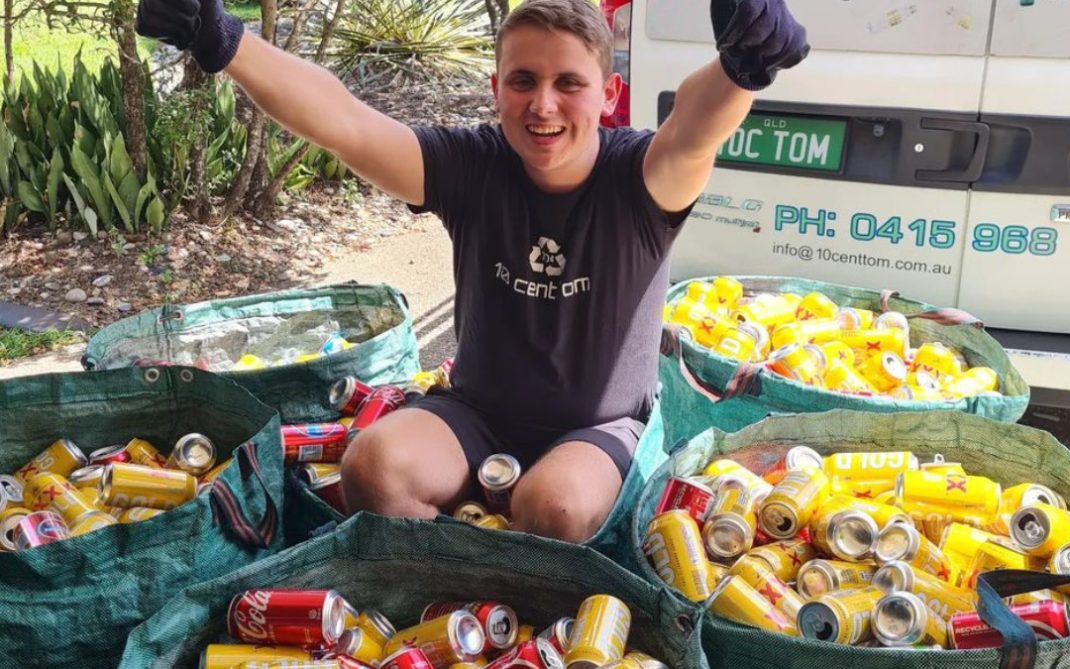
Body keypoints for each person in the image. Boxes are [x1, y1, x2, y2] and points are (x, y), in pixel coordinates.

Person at [135, 0, 808, 542]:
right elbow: (345, 123)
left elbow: (693, 128)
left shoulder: (640, 178)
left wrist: (740, 70)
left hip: (600, 428)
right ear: (496, 88)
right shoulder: (472, 164)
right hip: (477, 411)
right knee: (373, 465)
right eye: (523, 81)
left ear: (610, 94)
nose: (543, 104)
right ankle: (450, 605)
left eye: (568, 83)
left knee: (556, 507)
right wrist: (221, 38)